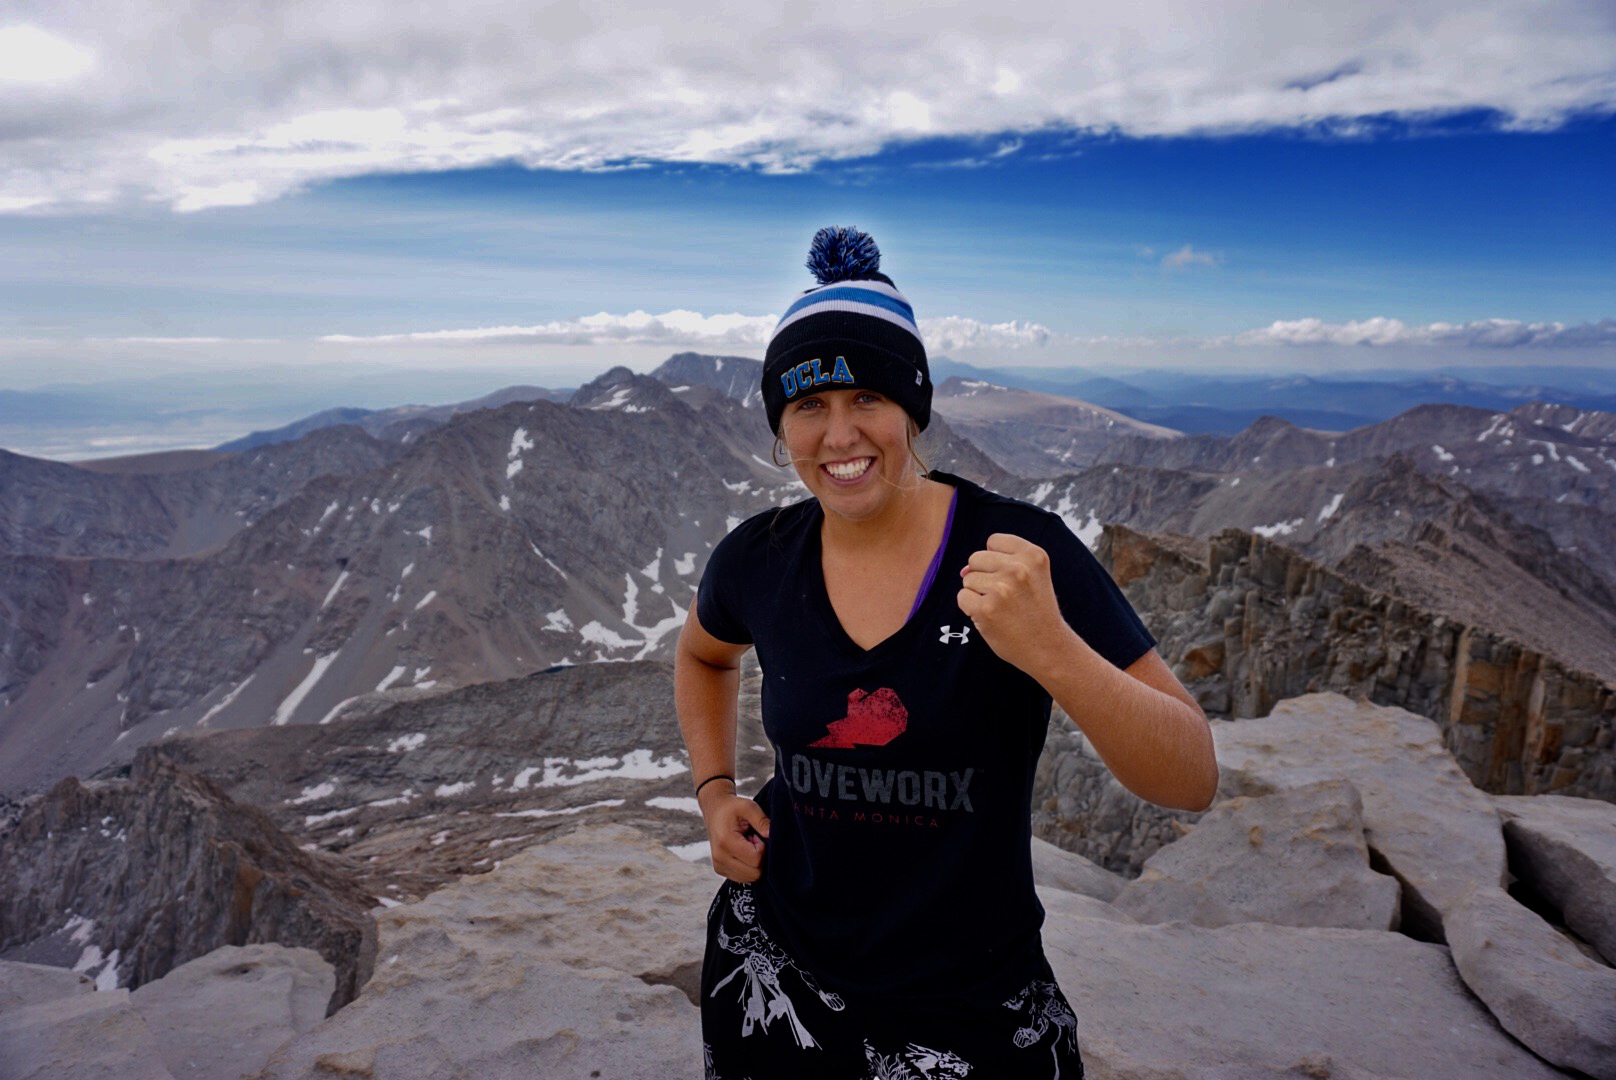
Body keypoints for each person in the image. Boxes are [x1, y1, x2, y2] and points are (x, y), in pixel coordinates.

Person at [676, 226, 1217, 1080]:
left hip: (967, 1000)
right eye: (808, 406)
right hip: (776, 971)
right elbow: (703, 656)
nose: (839, 434)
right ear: (782, 425)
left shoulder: (1018, 552)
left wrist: (1052, 651)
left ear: (911, 409)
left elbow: (1191, 777)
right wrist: (713, 794)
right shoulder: (759, 556)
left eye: (868, 400)